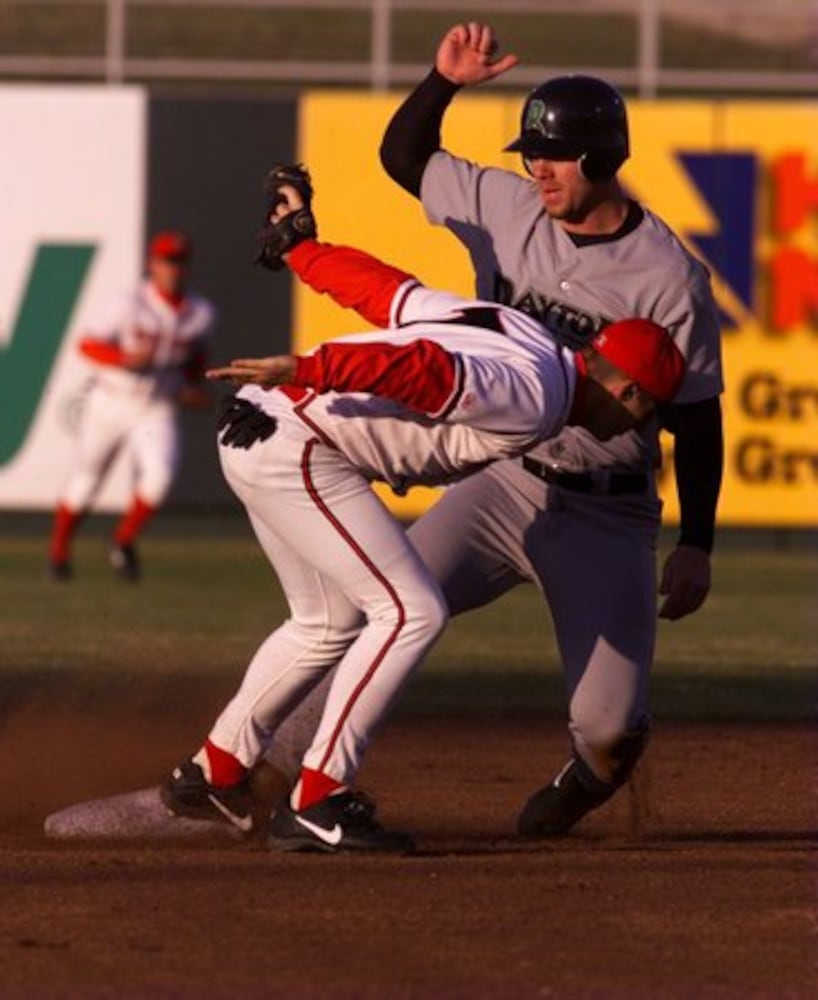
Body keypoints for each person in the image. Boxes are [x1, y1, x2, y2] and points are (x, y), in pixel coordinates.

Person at [251, 23, 725, 840]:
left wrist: (699, 542)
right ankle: (267, 771)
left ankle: (591, 773)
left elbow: (699, 416)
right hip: (503, 480)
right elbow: (405, 159)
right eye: (530, 151)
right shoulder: (508, 205)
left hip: (606, 511)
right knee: (385, 607)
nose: (536, 168)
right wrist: (441, 81)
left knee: (608, 732)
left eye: (556, 155)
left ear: (603, 159)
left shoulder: (668, 277)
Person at [159, 171, 685, 854]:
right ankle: (320, 797)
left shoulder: (521, 332)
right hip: (300, 442)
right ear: (626, 387)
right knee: (412, 611)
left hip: (271, 432)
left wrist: (303, 253)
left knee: (328, 620)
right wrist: (306, 369)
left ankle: (214, 770)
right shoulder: (535, 395)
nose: (643, 426)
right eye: (648, 406)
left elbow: (389, 294)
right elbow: (425, 371)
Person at [47, 231, 216, 582]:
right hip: (112, 398)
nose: (174, 269)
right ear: (151, 264)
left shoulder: (200, 311)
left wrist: (191, 386)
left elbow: (195, 359)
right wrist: (123, 358)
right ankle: (59, 554)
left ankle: (121, 540)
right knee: (86, 480)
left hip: (156, 405)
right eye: (167, 261)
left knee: (160, 477)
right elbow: (88, 344)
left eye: (180, 262)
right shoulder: (128, 302)